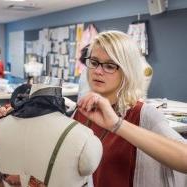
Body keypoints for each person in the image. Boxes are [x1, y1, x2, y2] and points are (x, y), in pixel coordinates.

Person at [75, 30, 187, 187]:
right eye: (94, 62)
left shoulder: (143, 114)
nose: (98, 71)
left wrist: (117, 124)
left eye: (109, 66)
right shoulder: (81, 110)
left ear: (126, 70)